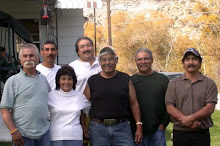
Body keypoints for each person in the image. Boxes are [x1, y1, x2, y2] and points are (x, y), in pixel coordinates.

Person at [84, 46, 143, 146]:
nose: (107, 63)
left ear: (116, 60)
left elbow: (134, 104)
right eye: (104, 60)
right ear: (99, 62)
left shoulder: (125, 79)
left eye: (110, 59)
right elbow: (83, 105)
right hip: (98, 128)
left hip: (122, 128)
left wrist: (139, 125)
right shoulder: (92, 81)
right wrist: (83, 126)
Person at [0, 43, 51, 146]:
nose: (28, 58)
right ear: (20, 60)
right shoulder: (12, 81)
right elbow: (4, 109)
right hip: (22, 135)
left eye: (31, 55)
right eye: (25, 56)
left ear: (37, 59)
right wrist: (13, 131)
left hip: (44, 134)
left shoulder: (43, 79)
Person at [165, 47, 218, 146]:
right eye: (187, 59)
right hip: (180, 133)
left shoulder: (209, 84)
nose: (191, 62)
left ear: (200, 62)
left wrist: (189, 119)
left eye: (194, 59)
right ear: (183, 63)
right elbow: (170, 107)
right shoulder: (174, 83)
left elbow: (210, 107)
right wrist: (186, 121)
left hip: (201, 133)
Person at [131, 47, 170, 146]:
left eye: (146, 58)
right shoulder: (131, 81)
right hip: (136, 132)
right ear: (135, 61)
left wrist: (162, 126)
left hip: (157, 132)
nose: (143, 62)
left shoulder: (163, 80)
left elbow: (170, 104)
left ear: (152, 60)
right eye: (140, 59)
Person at [69, 37, 101, 145]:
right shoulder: (72, 67)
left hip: (101, 114)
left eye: (88, 45)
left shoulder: (103, 64)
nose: (86, 49)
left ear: (93, 47)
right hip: (79, 114)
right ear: (78, 51)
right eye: (82, 47)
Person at [48, 65, 91, 146]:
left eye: (69, 79)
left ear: (74, 81)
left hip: (76, 137)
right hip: (56, 137)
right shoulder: (50, 96)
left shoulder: (80, 96)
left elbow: (90, 111)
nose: (66, 82)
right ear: (58, 81)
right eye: (63, 79)